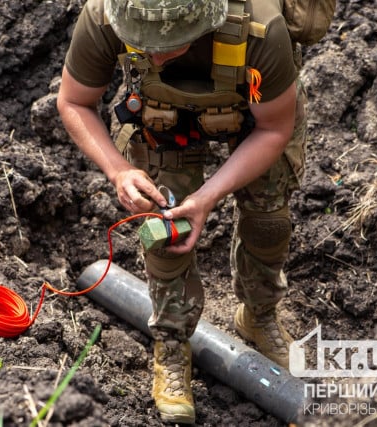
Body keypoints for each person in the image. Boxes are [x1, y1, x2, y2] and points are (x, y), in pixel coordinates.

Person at [57, 0, 307, 423]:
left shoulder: (262, 28)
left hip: (255, 116)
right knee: (164, 235)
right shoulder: (107, 14)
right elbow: (74, 101)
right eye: (143, 43)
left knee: (268, 224)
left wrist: (208, 197)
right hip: (161, 120)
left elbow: (274, 128)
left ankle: (259, 315)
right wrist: (119, 172)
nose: (153, 55)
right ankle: (171, 344)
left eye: (168, 44)